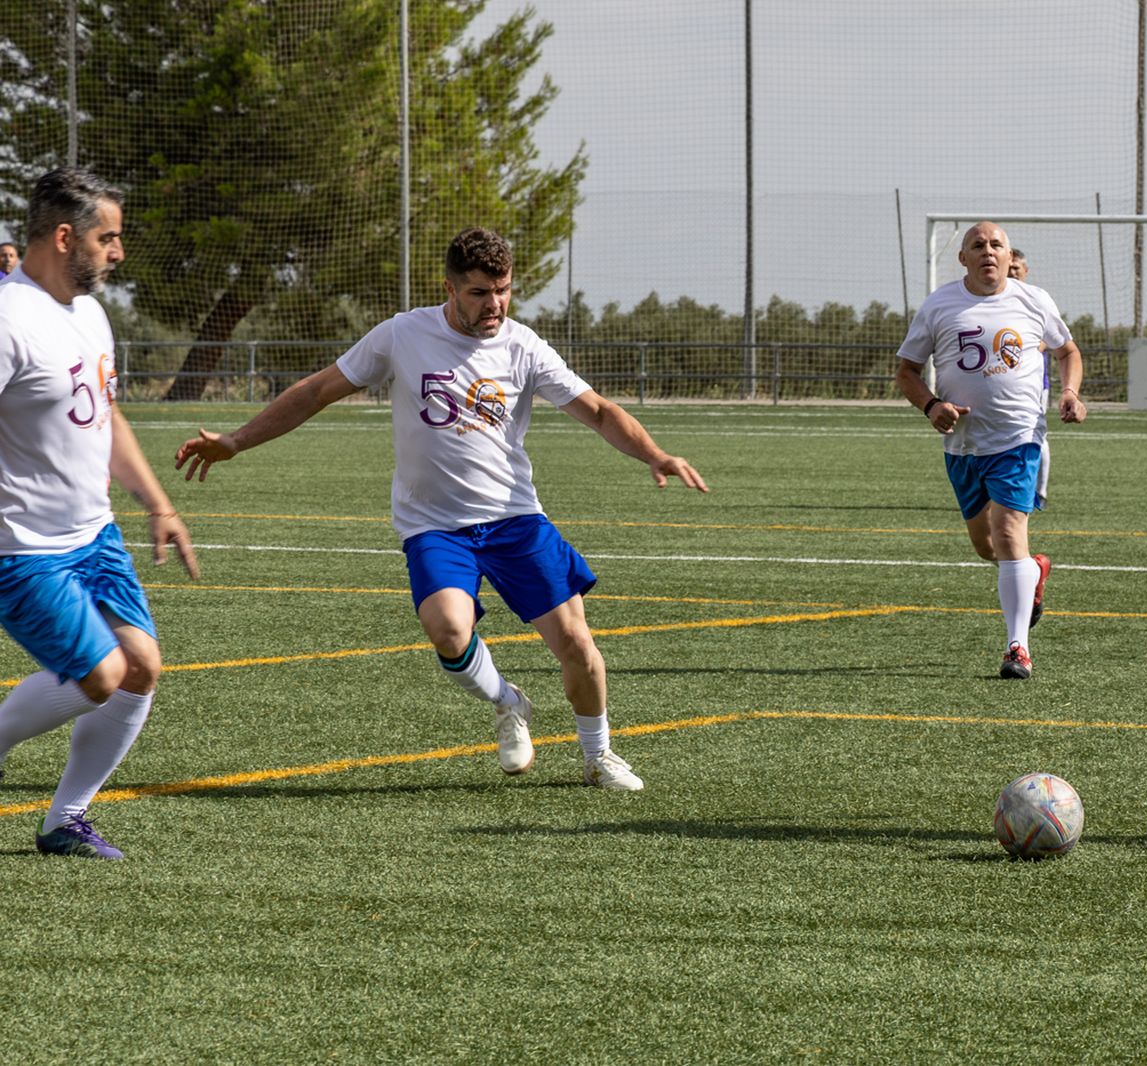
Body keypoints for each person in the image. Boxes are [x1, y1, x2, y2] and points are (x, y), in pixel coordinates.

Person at [175, 227, 707, 791]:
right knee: (450, 631)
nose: (494, 304)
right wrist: (237, 440)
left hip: (515, 519)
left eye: (503, 290)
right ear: (449, 288)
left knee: (576, 642)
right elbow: (316, 391)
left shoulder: (524, 346)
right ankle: (508, 702)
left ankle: (598, 755)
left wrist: (655, 454)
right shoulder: (402, 335)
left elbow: (597, 410)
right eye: (479, 292)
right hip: (434, 526)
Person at [0, 168, 200, 860]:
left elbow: (105, 414)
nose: (118, 252)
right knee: (103, 675)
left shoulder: (88, 313)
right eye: (106, 238)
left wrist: (158, 504)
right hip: (24, 548)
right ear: (64, 237)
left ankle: (65, 821)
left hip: (95, 535)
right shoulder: (9, 320)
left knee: (141, 666)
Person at [894, 221, 1086, 680]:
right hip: (963, 445)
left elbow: (1068, 352)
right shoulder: (939, 305)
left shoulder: (1033, 299)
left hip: (1019, 438)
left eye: (996, 244)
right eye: (977, 245)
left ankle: (1017, 648)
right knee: (987, 547)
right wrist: (932, 406)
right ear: (963, 258)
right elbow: (906, 370)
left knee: (1008, 531)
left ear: (1008, 256)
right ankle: (1033, 571)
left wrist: (1070, 392)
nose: (988, 251)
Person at [1006, 247, 1053, 508]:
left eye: (1016, 268)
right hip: (1001, 383)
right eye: (1009, 268)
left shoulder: (1036, 300)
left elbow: (1047, 340)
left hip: (1033, 383)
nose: (1012, 272)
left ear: (1026, 271)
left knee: (1036, 435)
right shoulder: (994, 300)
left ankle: (1040, 493)